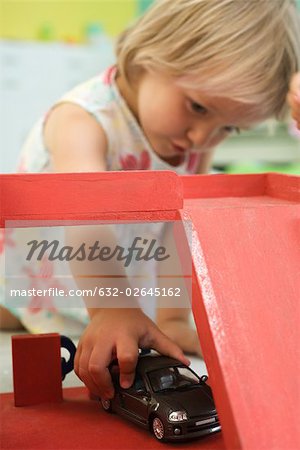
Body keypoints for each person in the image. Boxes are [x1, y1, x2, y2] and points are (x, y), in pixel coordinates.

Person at [0, 0, 299, 400]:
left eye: (228, 127)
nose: (201, 139)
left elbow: (178, 229)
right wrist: (110, 307)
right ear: (149, 58)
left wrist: (172, 317)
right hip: (45, 270)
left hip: (105, 285)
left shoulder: (193, 144)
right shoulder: (82, 120)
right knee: (13, 314)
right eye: (196, 107)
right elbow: (86, 217)